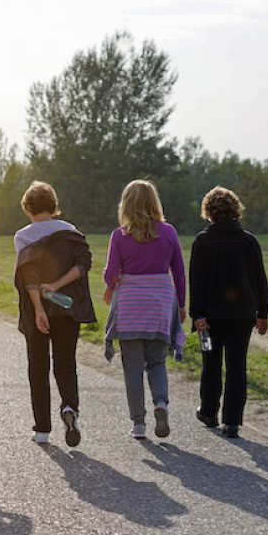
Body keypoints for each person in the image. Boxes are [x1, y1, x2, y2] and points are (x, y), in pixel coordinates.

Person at [14, 181, 96, 447]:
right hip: (67, 307)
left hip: (36, 310)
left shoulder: (23, 236)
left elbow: (30, 274)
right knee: (65, 363)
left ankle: (42, 429)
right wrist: (57, 286)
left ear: (28, 208)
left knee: (38, 368)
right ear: (54, 206)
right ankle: (70, 407)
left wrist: (39, 309)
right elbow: (83, 264)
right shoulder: (72, 233)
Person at [103, 180, 186, 440]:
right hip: (160, 304)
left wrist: (109, 286)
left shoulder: (120, 235)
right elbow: (180, 273)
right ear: (154, 203)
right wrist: (181, 305)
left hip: (130, 307)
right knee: (157, 362)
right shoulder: (169, 232)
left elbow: (111, 273)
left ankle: (139, 424)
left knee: (133, 367)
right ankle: (161, 404)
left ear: (126, 204)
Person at [189, 186, 268, 438]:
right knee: (237, 365)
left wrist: (197, 315)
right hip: (242, 315)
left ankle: (210, 412)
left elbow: (197, 281)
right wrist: (263, 312)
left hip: (211, 316)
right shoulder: (249, 241)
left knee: (210, 363)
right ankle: (232, 421)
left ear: (208, 212)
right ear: (236, 210)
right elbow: (260, 279)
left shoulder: (203, 241)